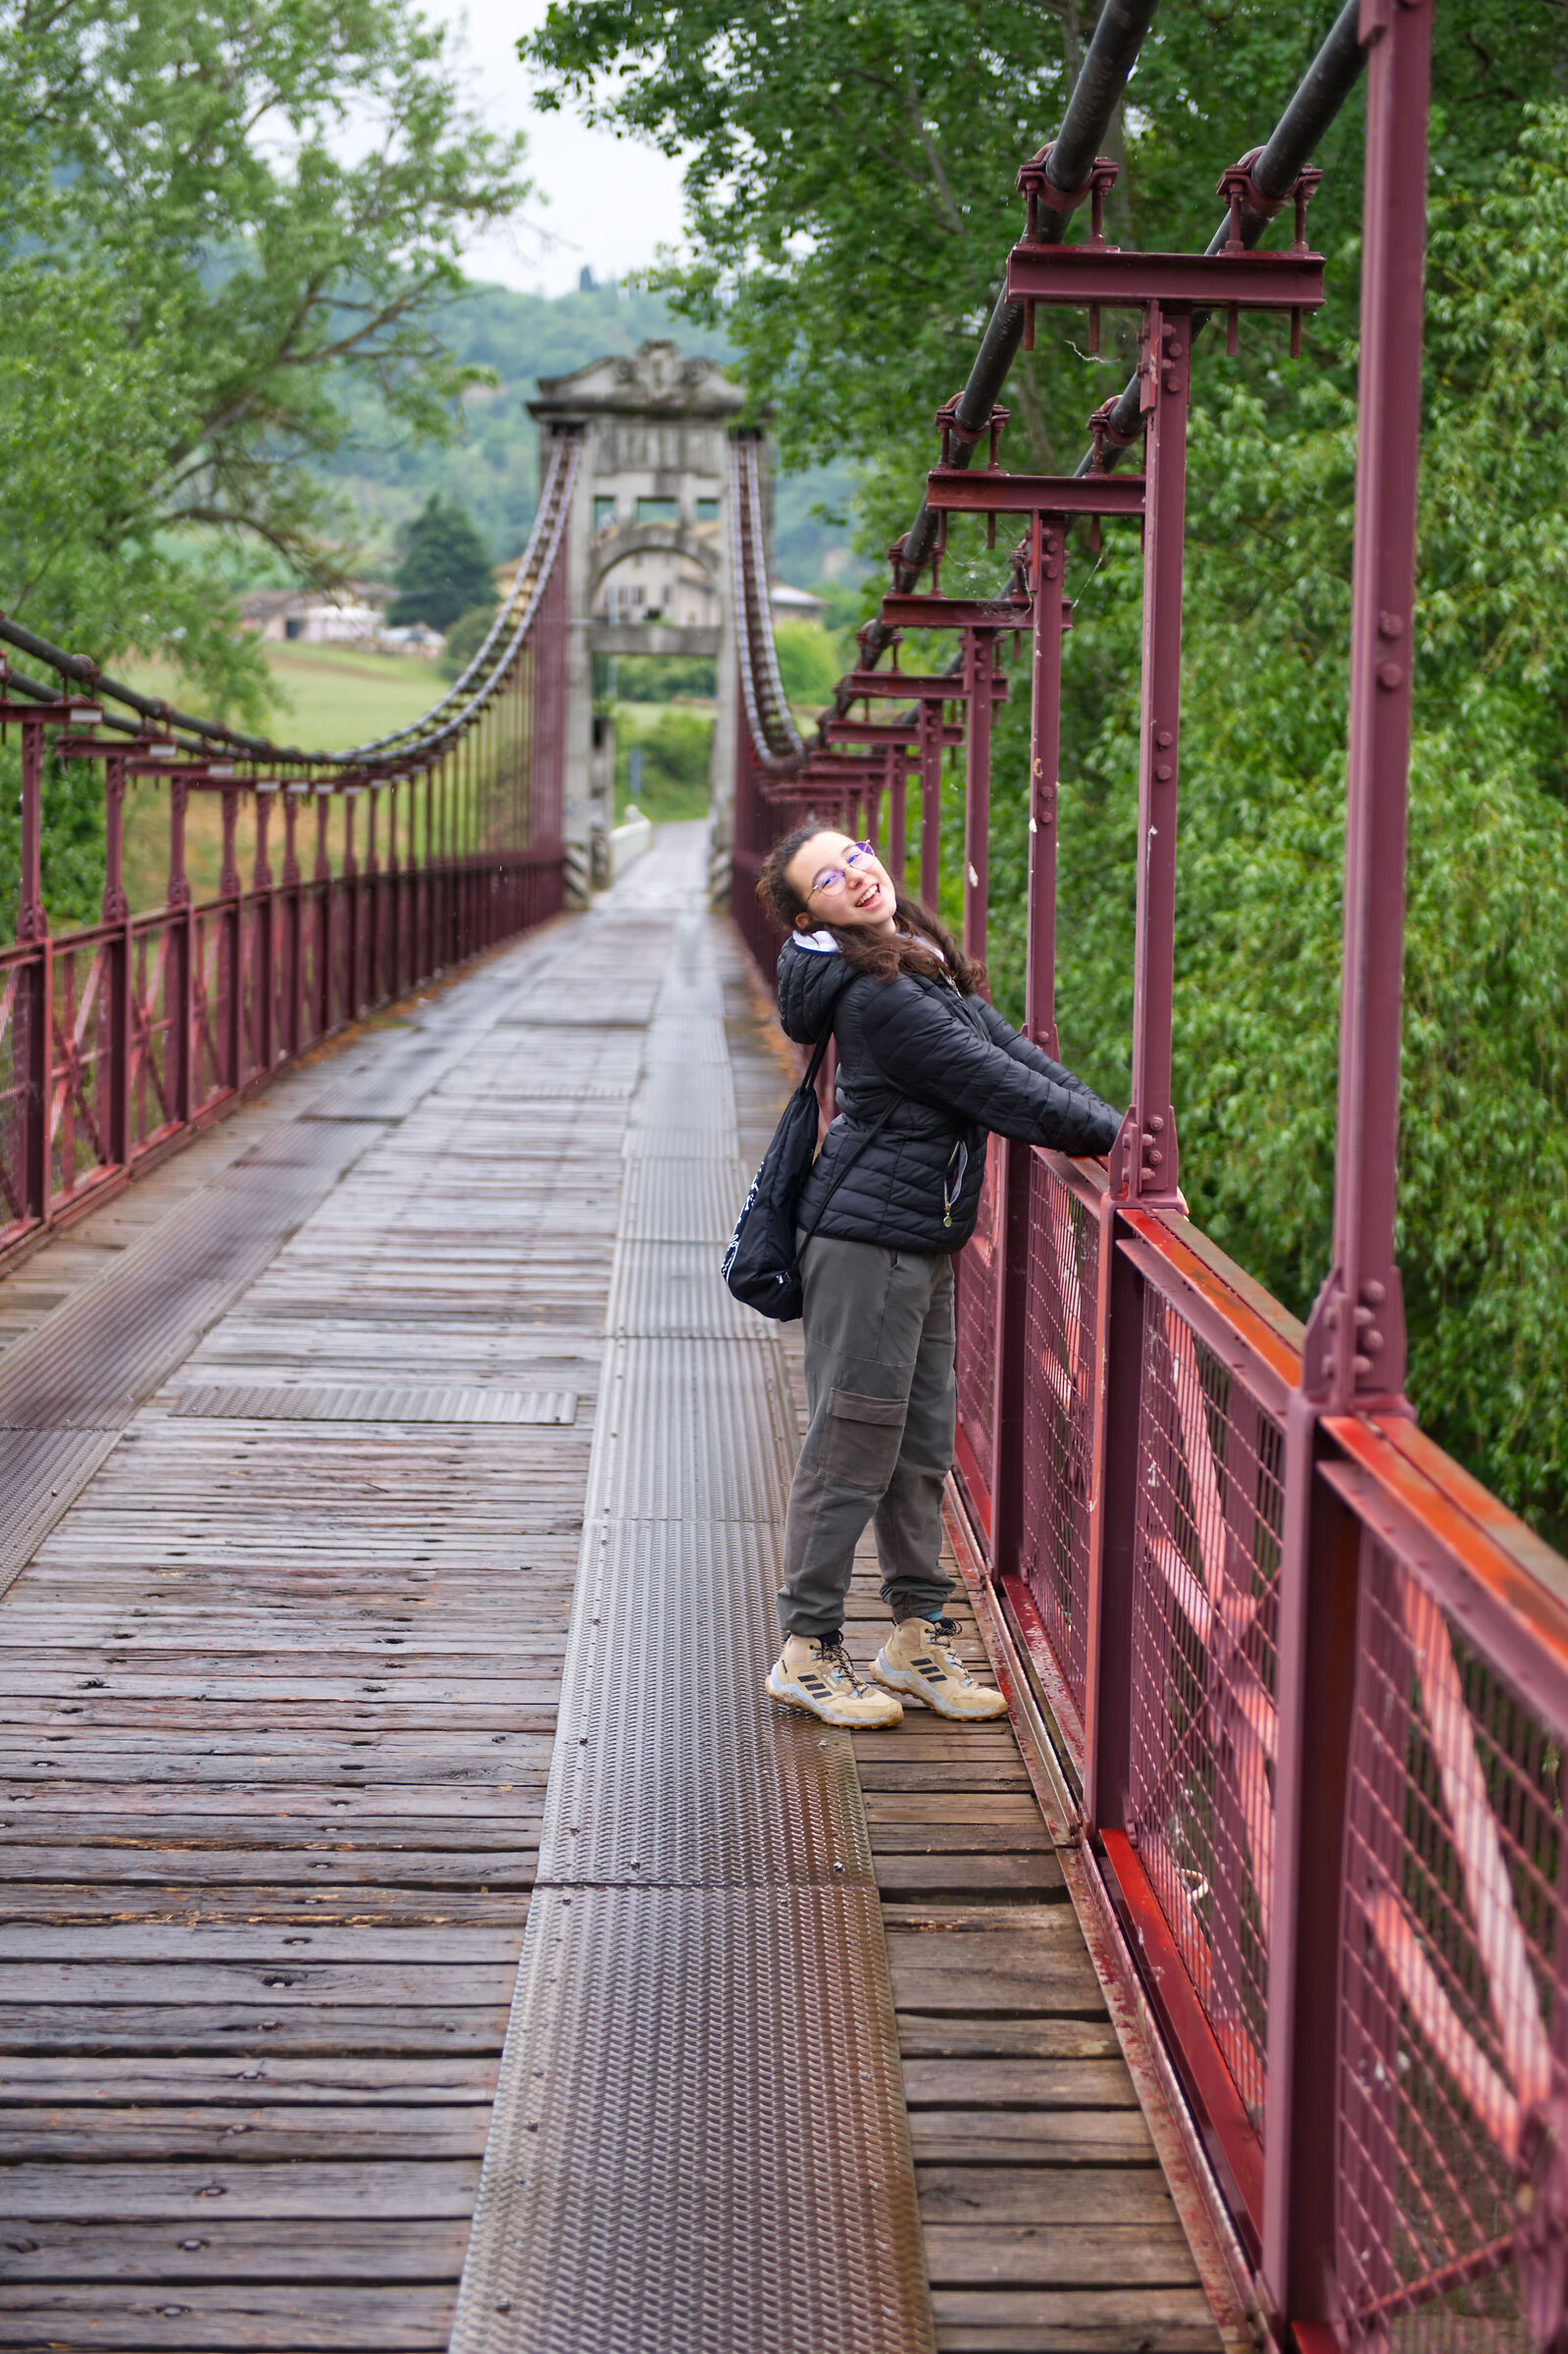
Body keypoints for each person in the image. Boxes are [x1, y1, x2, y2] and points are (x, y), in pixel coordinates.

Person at [754, 826, 1122, 1729]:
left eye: (858, 855)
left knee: (918, 1449)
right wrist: (1111, 1140)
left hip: (920, 1234)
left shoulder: (912, 958)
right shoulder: (878, 995)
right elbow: (989, 1084)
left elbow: (1013, 1052)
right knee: (851, 1448)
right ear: (814, 916)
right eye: (831, 879)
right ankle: (806, 1649)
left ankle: (915, 1636)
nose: (858, 875)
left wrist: (1120, 1130)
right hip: (866, 1247)